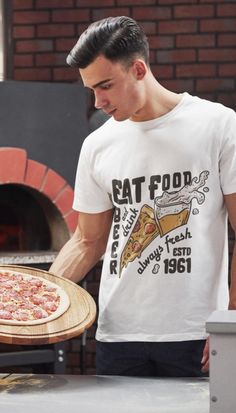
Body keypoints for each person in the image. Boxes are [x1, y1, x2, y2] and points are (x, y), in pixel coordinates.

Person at [49, 16, 236, 377]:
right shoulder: (98, 145)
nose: (98, 101)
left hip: (197, 333)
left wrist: (230, 321)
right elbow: (87, 241)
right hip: (118, 336)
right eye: (91, 90)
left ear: (138, 69)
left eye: (106, 86)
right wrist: (42, 301)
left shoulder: (218, 125)